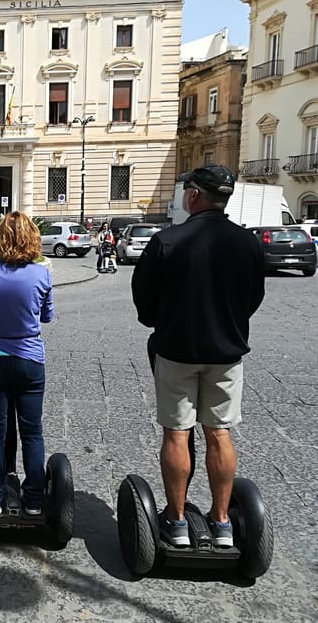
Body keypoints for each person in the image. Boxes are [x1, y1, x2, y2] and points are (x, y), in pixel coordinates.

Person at [131, 164, 265, 548]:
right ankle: (222, 522)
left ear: (193, 196)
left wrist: (163, 320)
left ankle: (175, 521)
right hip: (227, 353)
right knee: (219, 432)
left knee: (176, 432)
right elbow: (253, 298)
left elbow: (144, 301)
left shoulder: (168, 241)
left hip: (177, 350)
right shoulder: (249, 243)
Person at [0, 211, 54, 516]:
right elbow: (46, 316)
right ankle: (33, 499)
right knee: (32, 432)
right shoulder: (42, 274)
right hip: (30, 359)